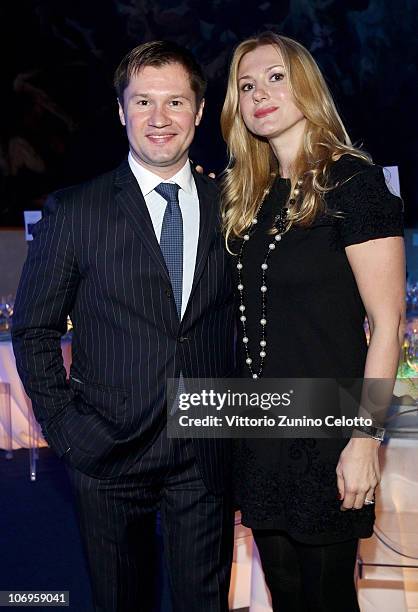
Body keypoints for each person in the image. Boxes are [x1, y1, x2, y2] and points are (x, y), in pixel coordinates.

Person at [12, 41, 235, 612]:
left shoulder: (232, 204)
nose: (159, 119)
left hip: (205, 449)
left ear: (199, 112)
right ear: (121, 111)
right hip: (106, 450)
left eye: (175, 102)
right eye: (143, 102)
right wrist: (67, 430)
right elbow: (34, 330)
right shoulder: (76, 210)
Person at [220, 32, 405, 611]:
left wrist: (364, 437)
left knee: (326, 600)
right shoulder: (248, 195)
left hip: (329, 433)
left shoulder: (352, 181)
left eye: (275, 77)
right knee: (285, 593)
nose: (261, 94)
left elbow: (387, 322)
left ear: (306, 85)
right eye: (247, 86)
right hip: (260, 432)